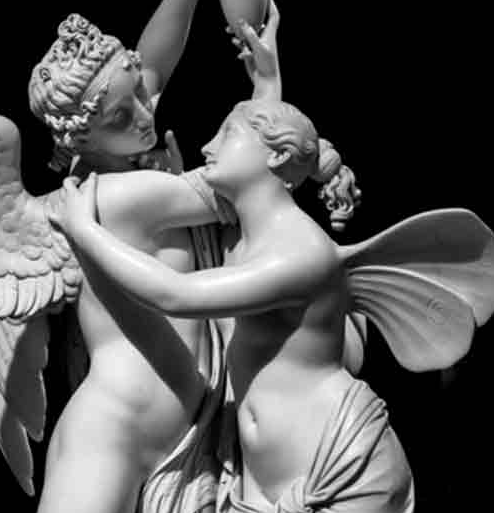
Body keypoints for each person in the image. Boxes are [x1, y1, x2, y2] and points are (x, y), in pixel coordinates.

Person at [49, 99, 416, 511]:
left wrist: (84, 229)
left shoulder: (301, 252)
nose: (208, 146)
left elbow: (175, 294)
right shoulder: (236, 243)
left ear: (277, 155)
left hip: (339, 467)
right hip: (257, 482)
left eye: (227, 134)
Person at [26, 0, 260, 513]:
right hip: (113, 433)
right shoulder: (114, 196)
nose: (144, 112)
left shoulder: (120, 154)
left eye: (137, 91)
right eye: (121, 114)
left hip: (172, 429)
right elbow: (251, 182)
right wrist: (267, 80)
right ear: (81, 138)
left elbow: (153, 62)